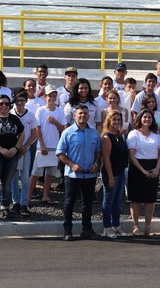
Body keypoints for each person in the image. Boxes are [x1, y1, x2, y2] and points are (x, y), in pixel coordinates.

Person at [56, 104, 102, 240]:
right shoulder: (67, 132)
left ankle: (87, 229)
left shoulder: (94, 133)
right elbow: (60, 153)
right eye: (80, 113)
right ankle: (67, 231)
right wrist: (72, 165)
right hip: (72, 174)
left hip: (90, 174)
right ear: (75, 115)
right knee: (69, 202)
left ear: (89, 116)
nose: (83, 115)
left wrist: (96, 164)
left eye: (85, 113)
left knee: (87, 203)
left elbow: (98, 151)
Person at [127, 109, 160, 236]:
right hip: (137, 168)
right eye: (144, 117)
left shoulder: (156, 135)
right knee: (135, 199)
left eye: (149, 117)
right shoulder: (133, 134)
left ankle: (148, 227)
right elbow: (131, 155)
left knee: (150, 200)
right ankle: (135, 225)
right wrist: (142, 170)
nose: (147, 119)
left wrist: (157, 168)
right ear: (140, 119)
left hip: (153, 167)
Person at [30, 86, 66, 205]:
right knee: (36, 173)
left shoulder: (60, 111)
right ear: (45, 97)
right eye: (50, 96)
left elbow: (63, 128)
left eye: (54, 96)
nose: (52, 98)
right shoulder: (40, 110)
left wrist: (55, 121)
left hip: (54, 146)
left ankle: (46, 195)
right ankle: (27, 197)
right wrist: (42, 144)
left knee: (50, 173)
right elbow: (37, 128)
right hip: (42, 147)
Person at [101, 109, 130, 238]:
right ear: (109, 121)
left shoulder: (120, 135)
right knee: (108, 200)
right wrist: (111, 176)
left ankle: (116, 225)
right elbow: (106, 158)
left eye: (119, 119)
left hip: (121, 172)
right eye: (114, 120)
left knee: (118, 201)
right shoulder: (107, 137)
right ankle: (107, 227)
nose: (117, 122)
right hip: (111, 174)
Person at [9, 90, 39, 217]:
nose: (20, 103)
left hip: (25, 150)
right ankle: (15, 202)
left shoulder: (31, 115)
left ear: (26, 101)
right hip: (13, 151)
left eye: (22, 100)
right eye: (17, 100)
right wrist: (15, 148)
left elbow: (34, 134)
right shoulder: (10, 113)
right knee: (13, 177)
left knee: (25, 177)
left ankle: (24, 203)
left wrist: (25, 147)